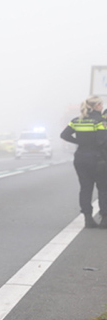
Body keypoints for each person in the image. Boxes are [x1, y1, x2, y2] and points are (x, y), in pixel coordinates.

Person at [59, 96, 107, 228]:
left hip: (80, 157)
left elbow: (64, 135)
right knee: (103, 189)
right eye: (101, 105)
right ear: (96, 106)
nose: (102, 107)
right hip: (97, 159)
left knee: (85, 188)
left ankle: (88, 219)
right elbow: (102, 141)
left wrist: (79, 142)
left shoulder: (76, 121)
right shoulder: (100, 121)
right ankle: (104, 219)